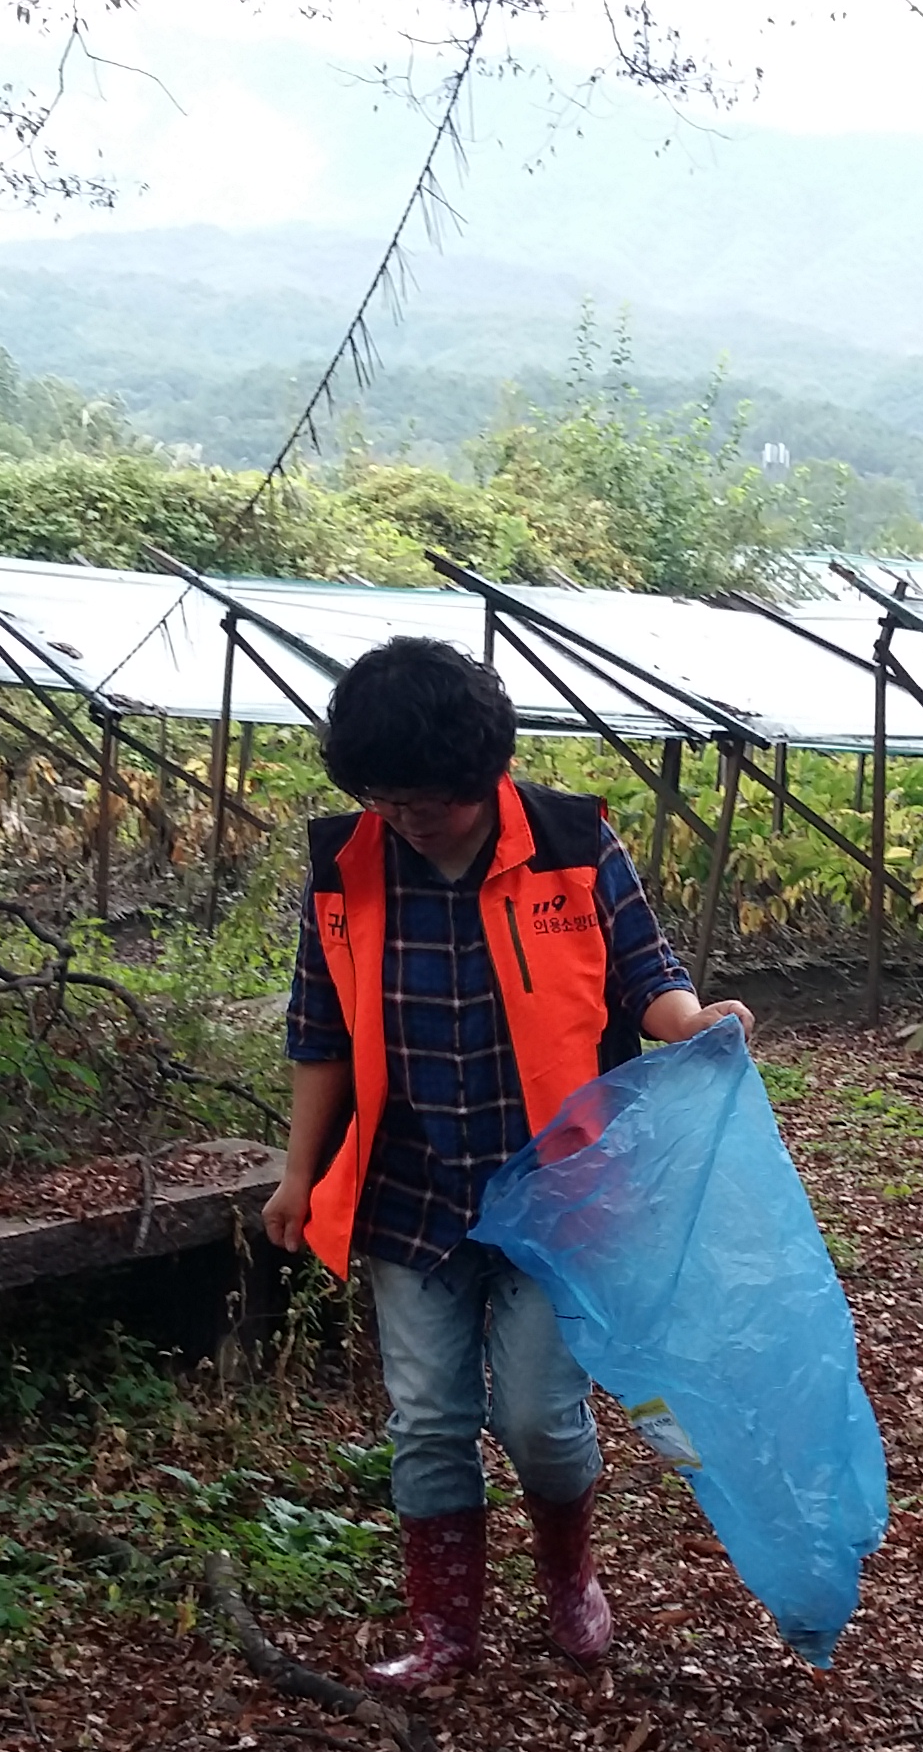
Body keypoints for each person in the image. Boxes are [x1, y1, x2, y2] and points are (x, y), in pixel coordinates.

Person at [259, 635, 750, 1692]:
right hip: (408, 1186)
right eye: (384, 798)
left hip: (556, 1188)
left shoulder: (571, 843)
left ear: (484, 770)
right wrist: (299, 1174)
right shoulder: (347, 867)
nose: (405, 818)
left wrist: (691, 1021)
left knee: (536, 1417)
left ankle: (569, 1575)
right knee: (429, 1416)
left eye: (426, 799)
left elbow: (645, 974)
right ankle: (444, 1630)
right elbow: (319, 1030)